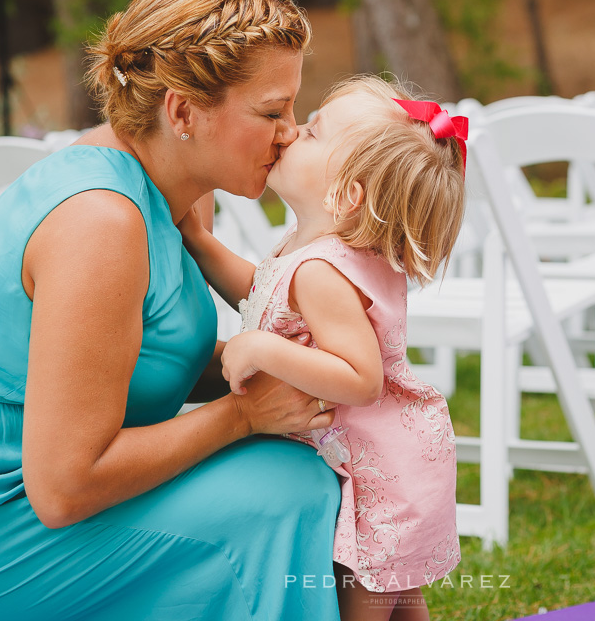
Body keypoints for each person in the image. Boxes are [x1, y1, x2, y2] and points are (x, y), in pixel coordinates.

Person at [0, 0, 344, 620]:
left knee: (292, 464)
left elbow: (136, 350)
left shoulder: (173, 187)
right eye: (272, 110)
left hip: (12, 491)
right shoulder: (100, 222)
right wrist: (243, 415)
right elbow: (65, 486)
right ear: (183, 110)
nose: (291, 131)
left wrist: (282, 364)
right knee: (282, 491)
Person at [186, 75, 467, 620]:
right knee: (403, 603)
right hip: (386, 460)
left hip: (375, 481)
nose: (291, 135)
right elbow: (263, 290)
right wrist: (200, 243)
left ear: (348, 193)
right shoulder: (318, 253)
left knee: (362, 605)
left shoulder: (321, 271)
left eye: (313, 133)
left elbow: (361, 378)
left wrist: (262, 350)